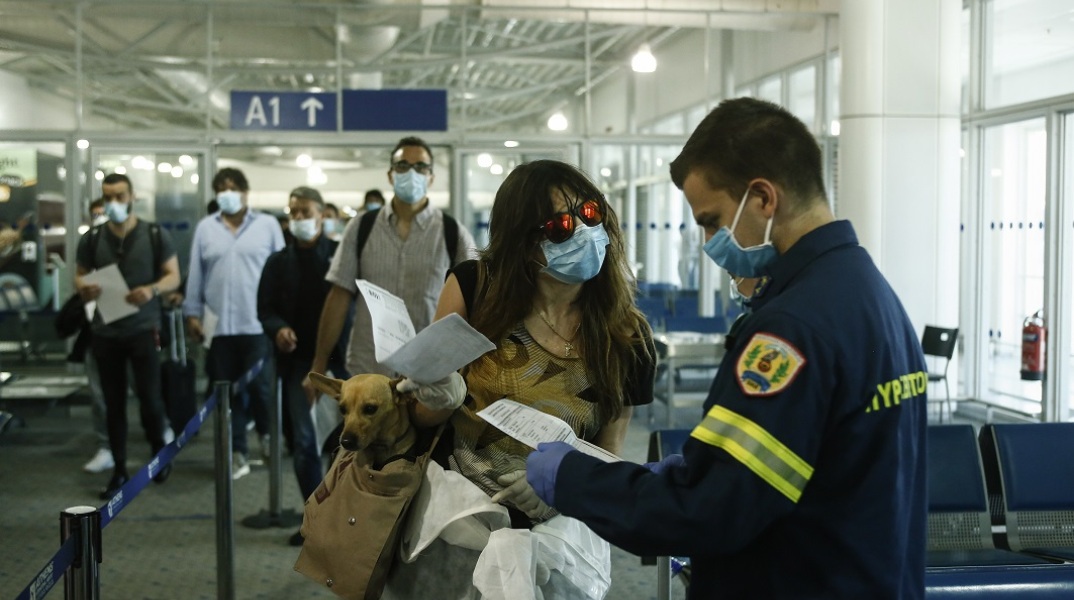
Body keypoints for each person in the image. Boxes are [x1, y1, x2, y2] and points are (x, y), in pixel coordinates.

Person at [524, 97, 929, 599]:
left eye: (712, 220)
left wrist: (572, 477)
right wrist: (709, 469)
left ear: (762, 198)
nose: (710, 241)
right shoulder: (870, 292)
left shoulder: (791, 329)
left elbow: (709, 514)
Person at [379, 159, 656, 599]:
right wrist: (442, 393)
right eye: (562, 226)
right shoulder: (475, 289)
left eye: (590, 214)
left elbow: (610, 451)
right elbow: (424, 418)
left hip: (559, 540)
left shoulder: (626, 332)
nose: (584, 232)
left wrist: (564, 485)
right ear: (526, 242)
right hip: (460, 526)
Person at [306, 136, 476, 393]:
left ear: (431, 177)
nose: (412, 173)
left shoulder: (453, 233)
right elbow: (339, 296)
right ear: (390, 175)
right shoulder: (361, 227)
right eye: (403, 166)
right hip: (368, 370)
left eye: (420, 167)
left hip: (429, 375)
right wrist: (319, 363)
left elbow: (474, 304)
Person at [74, 174, 181, 499]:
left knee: (150, 397)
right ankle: (119, 468)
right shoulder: (92, 238)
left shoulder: (153, 233)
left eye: (120, 196)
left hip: (142, 330)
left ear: (132, 196)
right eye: (108, 197)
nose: (113, 203)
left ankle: (159, 455)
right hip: (106, 331)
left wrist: (151, 290)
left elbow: (173, 275)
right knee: (113, 402)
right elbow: (78, 277)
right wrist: (84, 288)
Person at [257, 186, 349, 546]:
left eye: (305, 212)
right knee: (305, 443)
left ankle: (344, 518)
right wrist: (278, 328)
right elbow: (264, 309)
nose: (298, 219)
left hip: (340, 365)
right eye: (293, 213)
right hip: (298, 367)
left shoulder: (341, 258)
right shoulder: (278, 262)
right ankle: (315, 519)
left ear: (322, 214)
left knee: (344, 443)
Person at [183, 167, 285, 480]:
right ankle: (236, 450)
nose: (226, 193)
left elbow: (282, 272)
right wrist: (192, 313)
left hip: (256, 325)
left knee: (260, 389)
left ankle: (268, 438)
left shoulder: (267, 225)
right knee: (226, 394)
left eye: (232, 187)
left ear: (244, 192)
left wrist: (280, 319)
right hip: (218, 328)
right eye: (221, 188)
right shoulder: (206, 228)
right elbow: (196, 273)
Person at [80, 198, 113, 474]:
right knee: (99, 393)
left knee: (145, 390)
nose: (100, 219)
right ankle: (107, 446)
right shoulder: (88, 247)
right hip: (97, 330)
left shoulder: (131, 244)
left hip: (131, 330)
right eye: (96, 215)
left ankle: (160, 432)